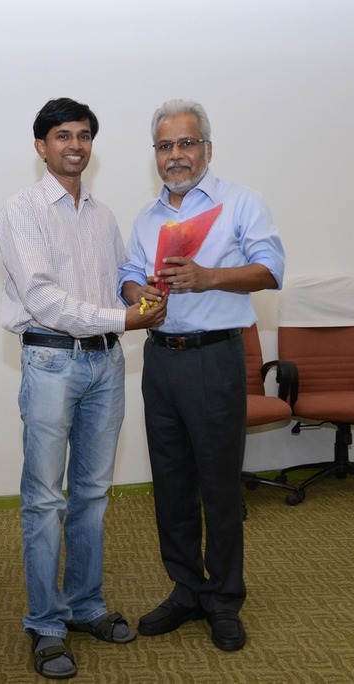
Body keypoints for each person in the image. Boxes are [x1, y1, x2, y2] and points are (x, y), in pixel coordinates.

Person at [0, 97, 166, 680]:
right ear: (41, 146)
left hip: (105, 364)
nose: (76, 145)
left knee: (92, 494)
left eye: (84, 135)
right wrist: (126, 318)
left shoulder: (103, 215)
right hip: (50, 360)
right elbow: (43, 299)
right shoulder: (21, 210)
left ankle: (85, 605)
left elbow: (119, 279)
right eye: (63, 135)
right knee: (46, 500)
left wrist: (141, 294)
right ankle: (45, 622)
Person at [118, 99, 286, 653]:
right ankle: (186, 589)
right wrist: (137, 291)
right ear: (155, 154)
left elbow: (270, 269)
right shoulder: (146, 218)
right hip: (160, 360)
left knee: (218, 486)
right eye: (165, 146)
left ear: (207, 149)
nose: (176, 155)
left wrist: (208, 277)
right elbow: (126, 274)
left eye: (186, 143)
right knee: (171, 485)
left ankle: (224, 598)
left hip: (215, 359)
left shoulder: (241, 201)